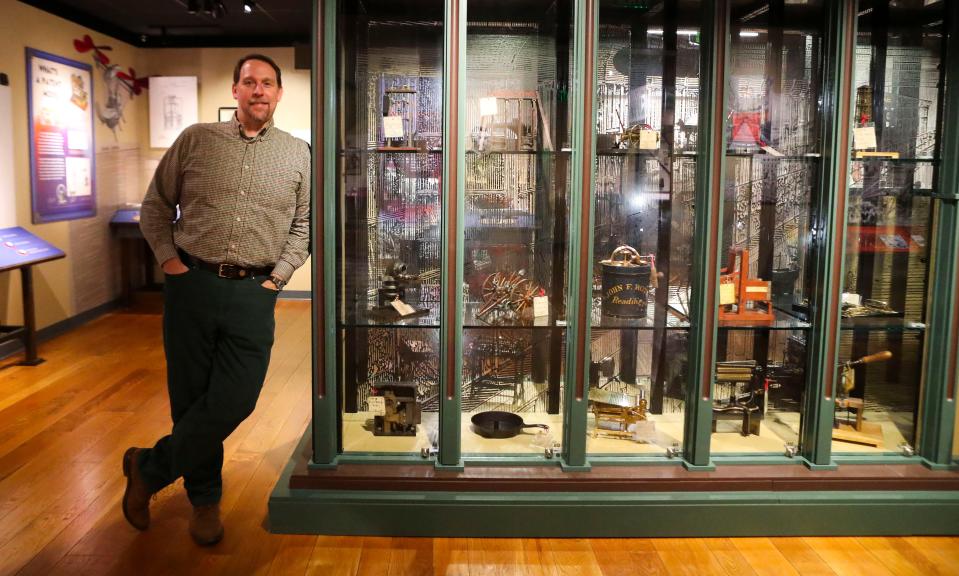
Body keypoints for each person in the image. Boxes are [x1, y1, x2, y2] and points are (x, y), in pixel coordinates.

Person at [124, 54, 310, 546]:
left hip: (255, 292)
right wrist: (170, 263)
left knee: (236, 399)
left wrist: (279, 277)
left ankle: (148, 466)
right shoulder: (196, 140)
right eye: (250, 82)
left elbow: (304, 225)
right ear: (235, 91)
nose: (259, 91)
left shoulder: (297, 153)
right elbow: (156, 207)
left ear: (278, 93)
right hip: (193, 286)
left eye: (268, 83)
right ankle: (204, 501)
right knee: (190, 401)